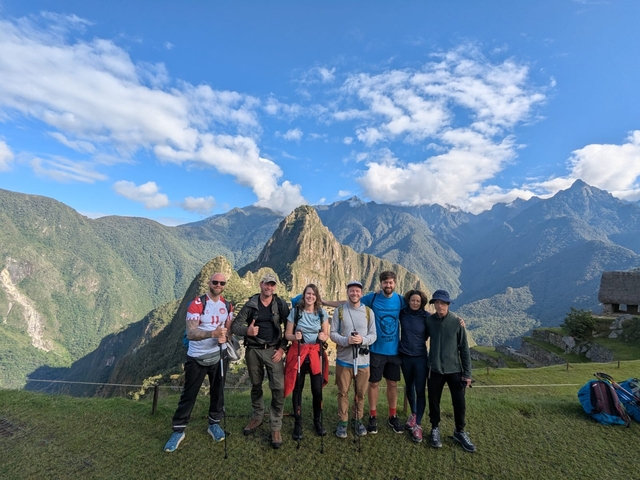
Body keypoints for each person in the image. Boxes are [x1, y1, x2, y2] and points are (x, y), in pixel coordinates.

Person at [164, 272, 233, 452]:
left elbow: (229, 330)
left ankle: (214, 424)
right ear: (209, 283)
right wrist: (213, 334)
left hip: (219, 355)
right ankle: (178, 430)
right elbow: (192, 333)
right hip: (197, 357)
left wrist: (225, 337)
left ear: (225, 285)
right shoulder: (197, 305)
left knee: (218, 391)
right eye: (215, 282)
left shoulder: (227, 306)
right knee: (189, 394)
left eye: (222, 283)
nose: (218, 285)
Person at [231, 273, 290, 449]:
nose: (269, 288)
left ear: (275, 287)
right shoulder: (251, 305)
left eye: (272, 285)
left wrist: (282, 348)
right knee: (256, 385)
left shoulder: (280, 304)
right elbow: (235, 326)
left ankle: (276, 425)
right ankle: (257, 416)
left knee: (278, 388)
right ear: (260, 284)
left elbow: (289, 327)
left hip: (273, 350)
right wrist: (247, 331)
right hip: (254, 351)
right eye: (266, 284)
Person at [426, 289, 476, 453]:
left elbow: (464, 349)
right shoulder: (430, 321)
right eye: (437, 303)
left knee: (459, 402)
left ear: (448, 304)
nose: (439, 306)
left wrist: (467, 373)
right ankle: (435, 428)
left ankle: (459, 431)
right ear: (434, 305)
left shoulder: (456, 322)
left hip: (454, 369)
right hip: (435, 369)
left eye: (442, 303)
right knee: (433, 400)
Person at [329, 280, 377, 439]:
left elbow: (373, 335)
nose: (354, 293)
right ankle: (342, 422)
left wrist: (361, 340)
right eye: (352, 291)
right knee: (343, 392)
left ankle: (357, 419)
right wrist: (345, 341)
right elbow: (333, 333)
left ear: (361, 293)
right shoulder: (340, 311)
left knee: (360, 393)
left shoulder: (369, 312)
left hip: (363, 361)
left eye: (357, 291)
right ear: (347, 292)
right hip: (344, 359)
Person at [361, 271, 406, 435]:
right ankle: (373, 416)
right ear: (380, 283)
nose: (388, 285)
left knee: (392, 384)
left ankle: (392, 415)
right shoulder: (372, 298)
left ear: (395, 283)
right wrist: (323, 302)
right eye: (385, 283)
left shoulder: (401, 300)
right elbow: (351, 301)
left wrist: (444, 315)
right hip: (376, 350)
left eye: (391, 283)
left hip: (394, 351)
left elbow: (419, 309)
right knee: (373, 383)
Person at [283, 284, 330, 440]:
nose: (310, 296)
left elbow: (326, 333)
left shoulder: (322, 313)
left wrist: (324, 336)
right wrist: (294, 336)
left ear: (316, 297)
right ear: (304, 295)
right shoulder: (295, 312)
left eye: (313, 294)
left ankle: (318, 420)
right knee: (298, 388)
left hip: (315, 352)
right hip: (299, 351)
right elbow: (287, 334)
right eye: (308, 294)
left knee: (317, 389)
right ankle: (298, 421)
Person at [398, 289, 429, 443]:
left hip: (420, 357)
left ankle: (418, 425)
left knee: (420, 389)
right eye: (412, 300)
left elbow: (440, 322)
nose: (415, 303)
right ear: (408, 301)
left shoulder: (426, 317)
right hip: (405, 355)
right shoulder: (402, 313)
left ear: (421, 302)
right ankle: (414, 412)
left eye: (418, 301)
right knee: (409, 386)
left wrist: (458, 321)